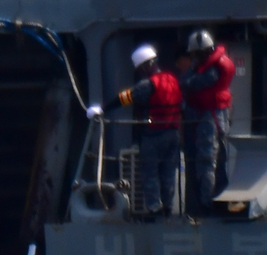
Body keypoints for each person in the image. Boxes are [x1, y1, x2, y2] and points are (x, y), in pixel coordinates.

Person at [87, 44, 183, 217]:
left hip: (155, 134)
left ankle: (154, 208)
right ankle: (168, 208)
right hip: (173, 132)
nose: (140, 73)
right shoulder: (172, 78)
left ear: (146, 66)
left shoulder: (149, 83)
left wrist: (104, 108)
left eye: (140, 69)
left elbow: (127, 97)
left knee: (149, 172)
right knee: (169, 172)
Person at [178, 29, 235, 210]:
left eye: (195, 55)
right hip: (207, 116)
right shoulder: (208, 66)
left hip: (210, 118)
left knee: (207, 161)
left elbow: (190, 83)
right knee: (211, 161)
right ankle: (213, 201)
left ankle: (207, 204)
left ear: (202, 52)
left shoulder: (215, 69)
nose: (194, 59)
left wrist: (188, 77)